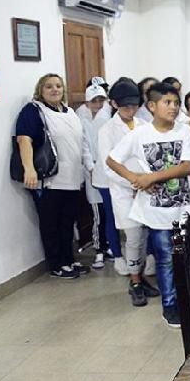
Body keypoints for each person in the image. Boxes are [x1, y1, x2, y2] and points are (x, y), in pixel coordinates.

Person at [106, 82, 190, 326]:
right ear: (152, 106)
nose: (174, 107)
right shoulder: (139, 134)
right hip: (156, 210)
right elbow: (112, 160)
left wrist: (150, 177)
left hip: (183, 205)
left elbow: (186, 167)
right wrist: (136, 179)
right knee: (165, 257)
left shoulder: (184, 131)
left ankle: (185, 297)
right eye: (168, 102)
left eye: (177, 103)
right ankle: (170, 305)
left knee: (185, 255)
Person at [16, 73, 88, 279]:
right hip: (49, 180)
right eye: (48, 86)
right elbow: (24, 140)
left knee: (67, 222)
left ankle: (69, 259)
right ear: (41, 90)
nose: (54, 89)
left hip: (72, 177)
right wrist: (28, 168)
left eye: (58, 86)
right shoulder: (33, 111)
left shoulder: (70, 113)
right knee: (51, 224)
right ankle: (56, 264)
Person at [95, 79, 144, 277]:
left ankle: (141, 274)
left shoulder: (143, 125)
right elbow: (109, 167)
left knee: (145, 236)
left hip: (146, 187)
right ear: (114, 104)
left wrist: (145, 182)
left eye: (134, 105)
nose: (131, 110)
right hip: (124, 190)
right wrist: (133, 183)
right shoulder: (107, 131)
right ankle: (135, 280)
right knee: (132, 237)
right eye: (125, 106)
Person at [80, 82, 110, 269]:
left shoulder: (107, 119)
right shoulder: (80, 119)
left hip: (107, 170)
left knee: (109, 213)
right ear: (87, 102)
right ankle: (99, 249)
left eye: (101, 100)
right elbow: (83, 147)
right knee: (98, 214)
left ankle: (109, 246)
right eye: (94, 100)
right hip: (91, 173)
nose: (98, 104)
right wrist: (91, 167)